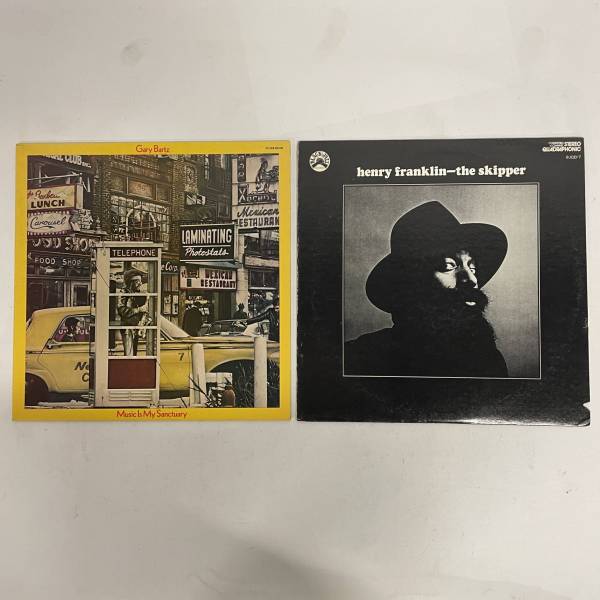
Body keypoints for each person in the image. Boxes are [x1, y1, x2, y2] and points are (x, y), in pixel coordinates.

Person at [345, 201, 509, 377]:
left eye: (472, 268)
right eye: (448, 266)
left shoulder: (488, 359)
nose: (471, 280)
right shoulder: (362, 358)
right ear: (413, 281)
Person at [117, 269, 148, 356]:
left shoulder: (136, 293)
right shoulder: (124, 293)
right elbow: (121, 310)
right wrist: (139, 310)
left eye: (140, 281)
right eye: (138, 281)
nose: (140, 284)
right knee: (129, 355)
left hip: (135, 327)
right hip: (128, 329)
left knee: (133, 354)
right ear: (131, 282)